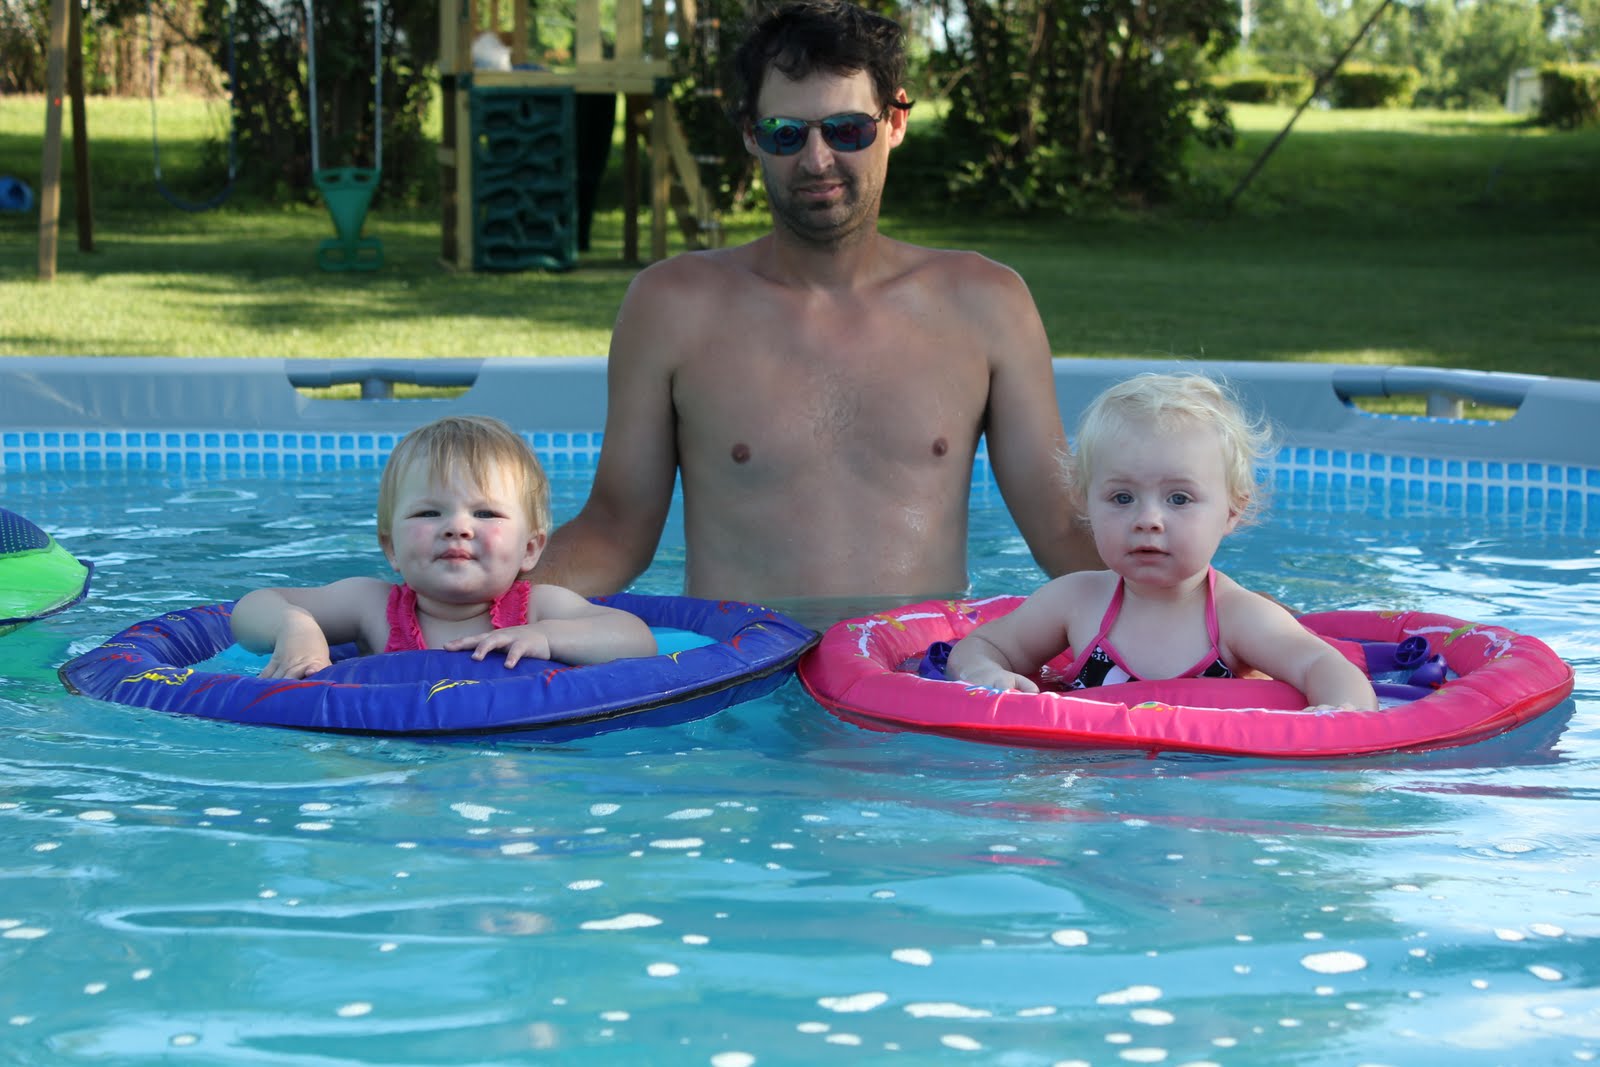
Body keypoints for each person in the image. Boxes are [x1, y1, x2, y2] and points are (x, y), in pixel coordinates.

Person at [530, 0, 1099, 627]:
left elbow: (1060, 529)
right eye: (786, 133)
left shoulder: (985, 303)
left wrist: (1183, 610)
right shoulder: (673, 307)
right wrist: (484, 606)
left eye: (847, 130)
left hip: (918, 671)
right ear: (751, 133)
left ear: (895, 122)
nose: (817, 160)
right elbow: (615, 530)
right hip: (741, 674)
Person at [945, 373, 1378, 712]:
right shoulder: (1073, 602)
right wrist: (986, 673)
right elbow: (984, 646)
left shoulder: (1238, 617)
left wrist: (1338, 716)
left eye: (1179, 499)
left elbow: (1324, 666)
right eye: (1122, 498)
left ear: (1232, 511)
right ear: (1085, 503)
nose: (1148, 520)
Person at [231, 415, 656, 680]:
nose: (457, 528)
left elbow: (637, 640)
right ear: (391, 548)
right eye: (428, 513)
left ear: (530, 549)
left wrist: (547, 637)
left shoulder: (539, 610)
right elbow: (251, 607)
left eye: (485, 513)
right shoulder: (370, 607)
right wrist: (295, 626)